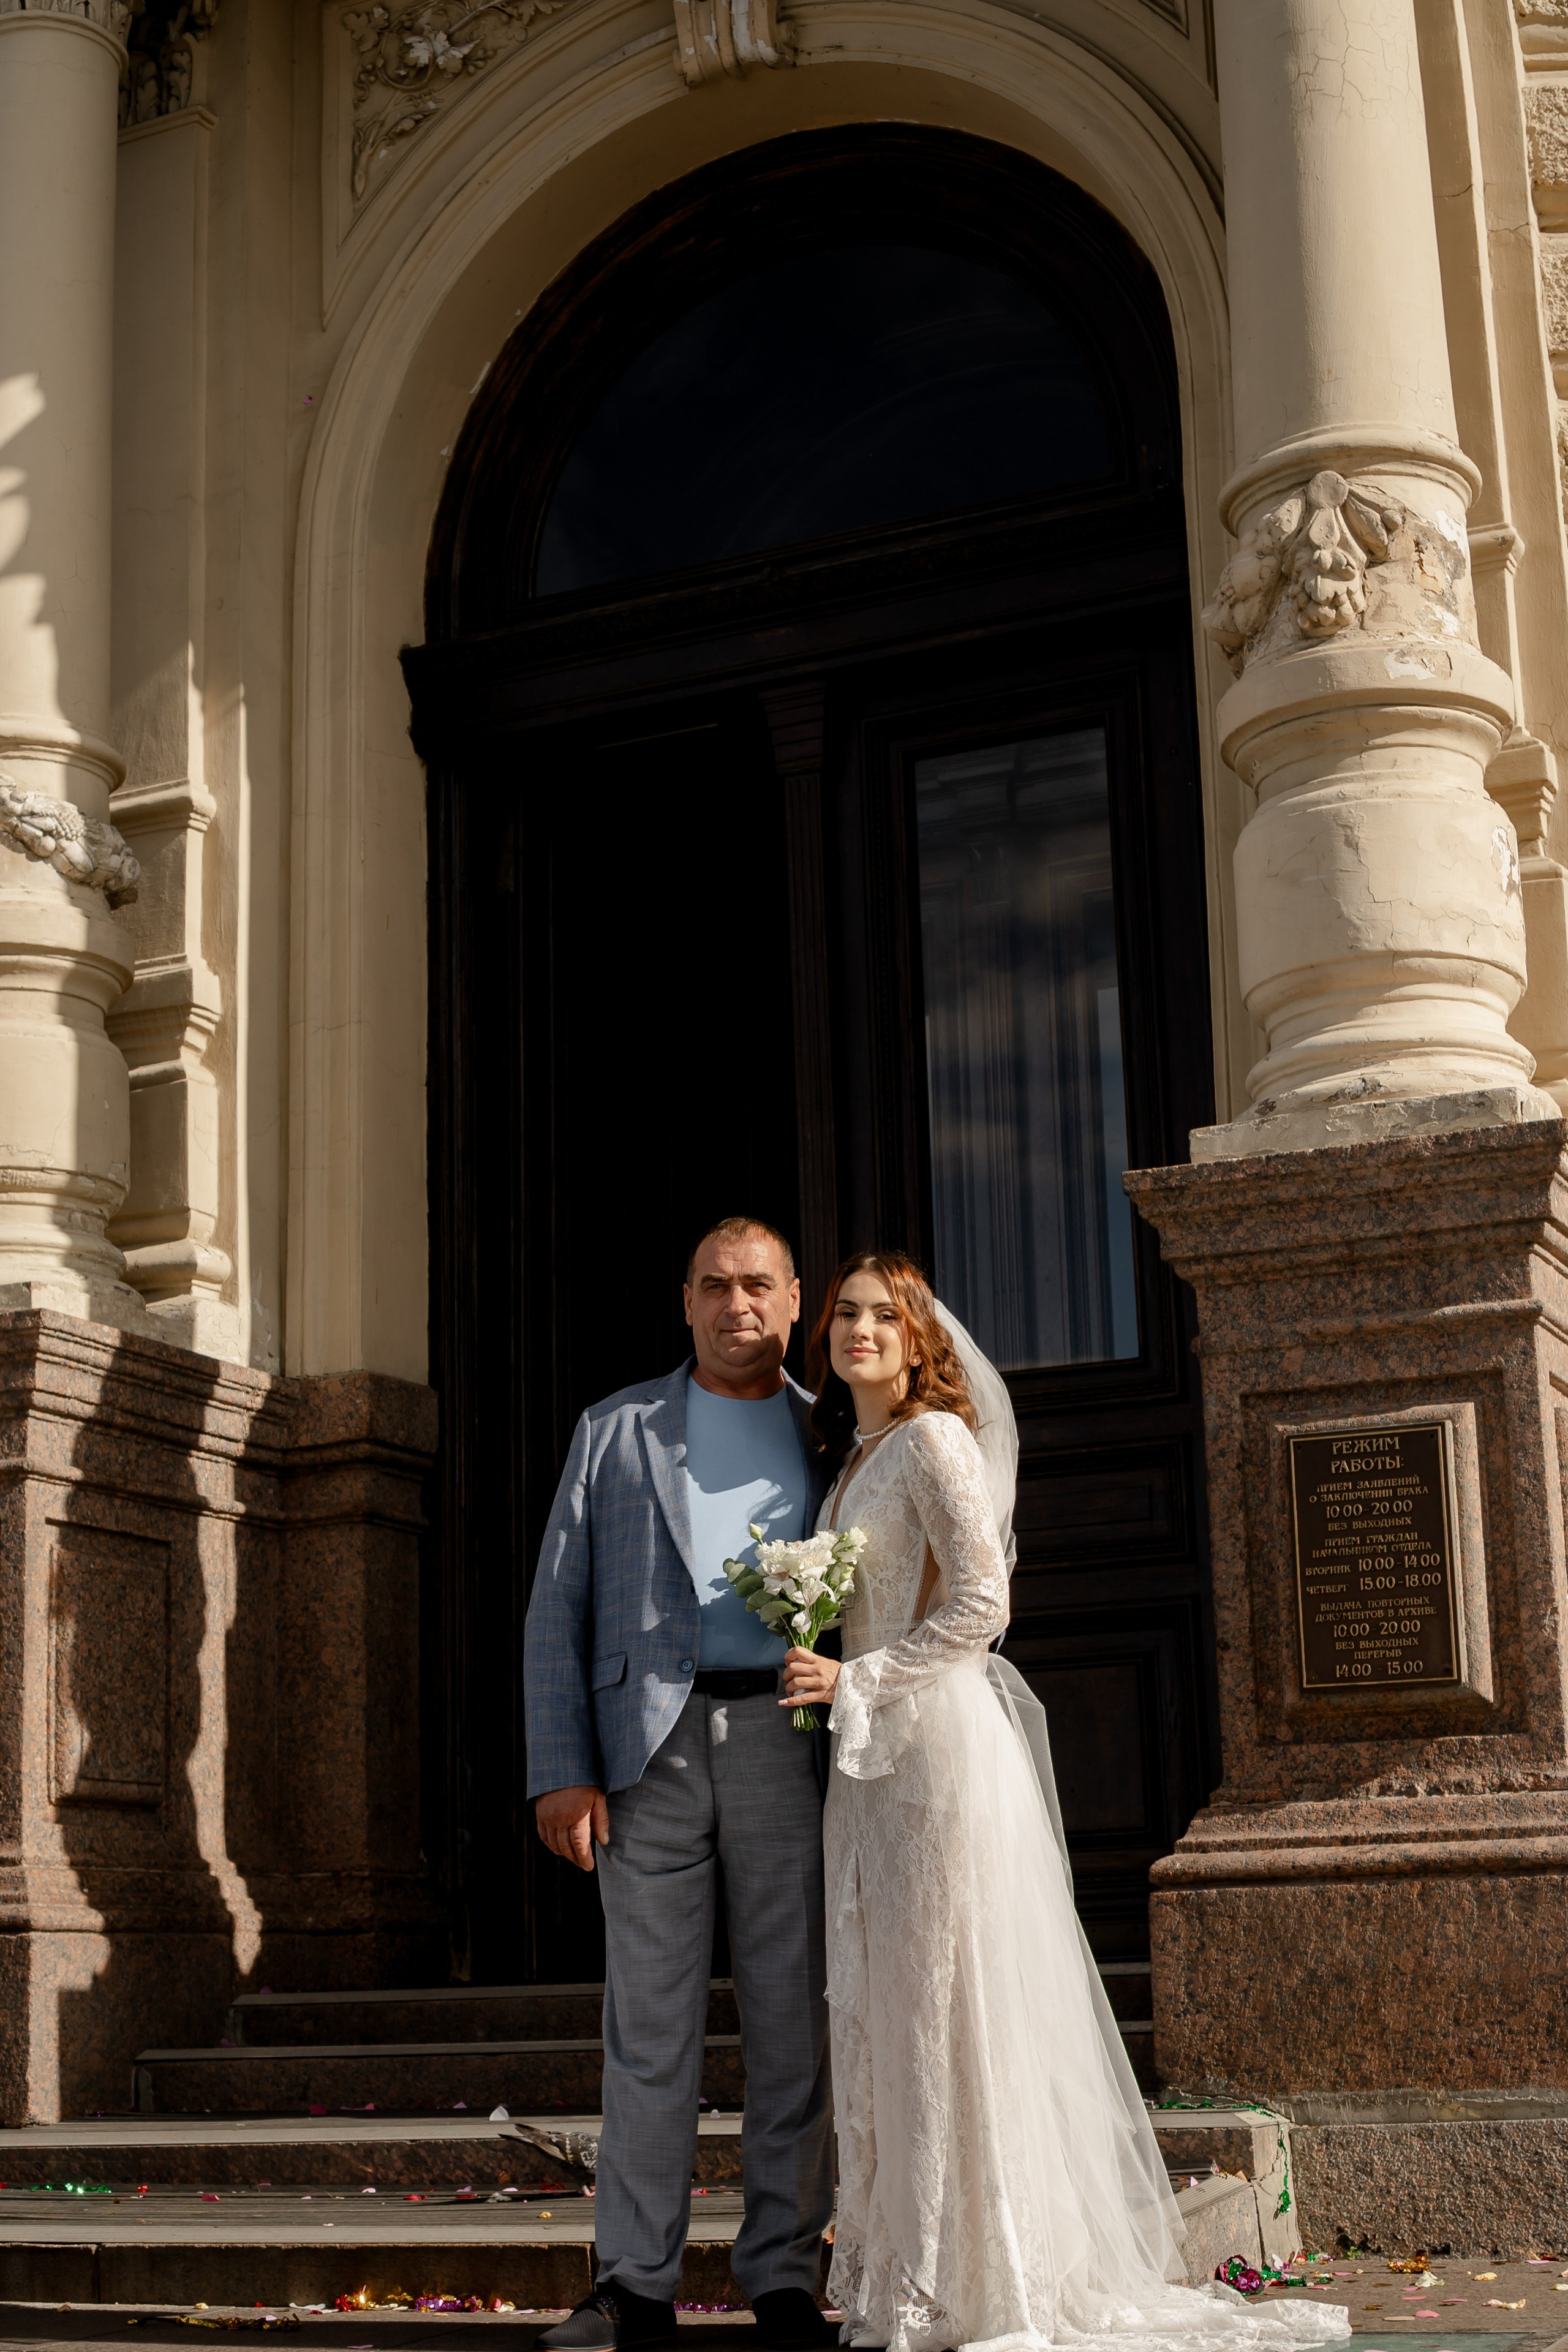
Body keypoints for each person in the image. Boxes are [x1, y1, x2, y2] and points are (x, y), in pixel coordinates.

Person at [780, 1251, 1352, 2352]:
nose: (858, 1329)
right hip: (872, 1771)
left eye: (882, 1316)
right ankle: (918, 2275)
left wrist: (857, 1677)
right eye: (845, 1314)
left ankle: (993, 2280)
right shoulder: (853, 1463)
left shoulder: (936, 1440)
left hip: (938, 1753)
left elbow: (983, 1606)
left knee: (954, 2006)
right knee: (897, 2008)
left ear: (918, 1339)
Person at [524, 1217, 837, 2352]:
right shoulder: (615, 1429)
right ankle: (634, 2286)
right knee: (646, 2030)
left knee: (794, 2025)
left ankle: (785, 2277)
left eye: (758, 1285)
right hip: (644, 1756)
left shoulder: (834, 1433)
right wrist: (562, 1772)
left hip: (786, 1747)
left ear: (796, 1300)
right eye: (716, 1286)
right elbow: (556, 1606)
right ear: (687, 1301)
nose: (737, 1304)